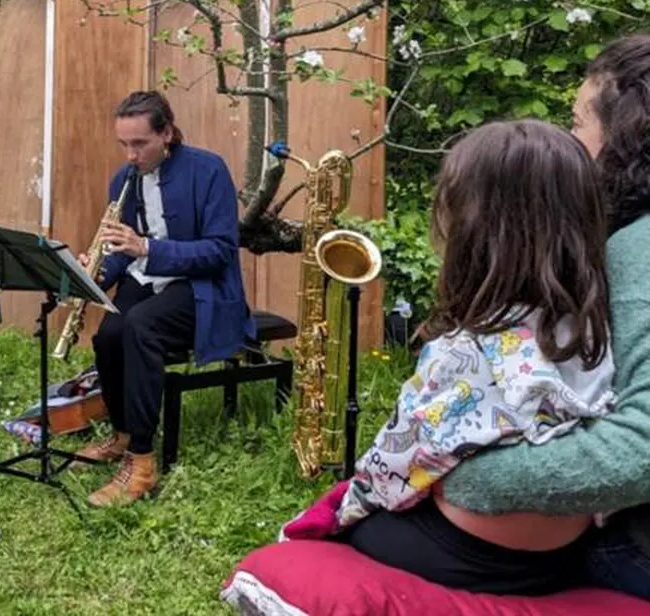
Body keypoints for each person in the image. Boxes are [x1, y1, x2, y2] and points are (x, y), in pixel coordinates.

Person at [281, 120, 614, 595]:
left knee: (359, 528)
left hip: (472, 551)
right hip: (562, 553)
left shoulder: (466, 347)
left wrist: (341, 507)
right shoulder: (590, 325)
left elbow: (397, 467)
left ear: (475, 232)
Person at [441, 34, 650, 599]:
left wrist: (464, 479)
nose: (573, 144)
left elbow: (642, 450)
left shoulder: (640, 251)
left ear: (627, 138)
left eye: (580, 124)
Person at [74, 90, 249, 507]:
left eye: (140, 144)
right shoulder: (123, 180)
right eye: (124, 144)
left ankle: (142, 461)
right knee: (108, 335)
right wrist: (96, 268)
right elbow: (122, 253)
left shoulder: (208, 170)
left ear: (166, 132)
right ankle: (121, 433)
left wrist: (149, 249)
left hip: (201, 286)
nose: (131, 155)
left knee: (140, 326)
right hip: (148, 278)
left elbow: (222, 249)